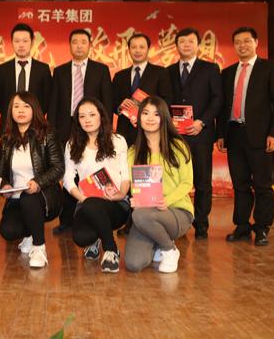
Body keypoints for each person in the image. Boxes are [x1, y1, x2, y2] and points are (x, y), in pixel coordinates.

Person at [217, 27, 274, 246]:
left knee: (262, 184)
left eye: (247, 41)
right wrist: (221, 134)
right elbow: (223, 107)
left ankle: (262, 227)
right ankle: (242, 226)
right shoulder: (227, 73)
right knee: (240, 184)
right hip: (234, 134)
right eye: (238, 42)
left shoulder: (270, 68)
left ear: (256, 42)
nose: (242, 45)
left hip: (261, 135)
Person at [48, 28, 113, 235]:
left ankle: (93, 215)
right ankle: (66, 220)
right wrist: (53, 131)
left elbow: (107, 102)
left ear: (89, 45)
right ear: (70, 45)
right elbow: (54, 102)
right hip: (66, 127)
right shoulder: (60, 71)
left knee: (90, 170)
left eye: (83, 42)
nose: (78, 45)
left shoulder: (101, 70)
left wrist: (106, 130)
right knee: (68, 172)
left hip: (93, 126)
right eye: (74, 42)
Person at [124, 96, 194, 274]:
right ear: (139, 117)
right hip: (146, 214)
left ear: (164, 118)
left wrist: (167, 200)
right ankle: (158, 241)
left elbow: (187, 182)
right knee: (134, 264)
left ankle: (169, 249)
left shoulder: (177, 146)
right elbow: (135, 187)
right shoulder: (133, 152)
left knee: (140, 216)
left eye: (156, 114)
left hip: (177, 211)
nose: (150, 118)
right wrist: (135, 200)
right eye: (145, 113)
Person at [0, 92, 64, 268]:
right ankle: (30, 233)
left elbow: (58, 168)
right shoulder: (6, 139)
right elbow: (1, 171)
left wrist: (38, 183)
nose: (21, 110)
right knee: (8, 231)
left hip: (44, 196)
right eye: (16, 106)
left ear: (34, 110)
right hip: (16, 198)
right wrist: (5, 185)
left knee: (29, 198)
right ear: (10, 110)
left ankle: (39, 247)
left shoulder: (47, 134)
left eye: (26, 106)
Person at [63, 97, 130, 273]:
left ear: (101, 116)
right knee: (80, 237)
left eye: (92, 115)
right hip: (86, 203)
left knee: (95, 205)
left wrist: (120, 194)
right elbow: (68, 179)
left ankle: (111, 250)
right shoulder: (72, 145)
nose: (87, 120)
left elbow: (126, 175)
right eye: (82, 116)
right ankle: (97, 237)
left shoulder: (118, 140)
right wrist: (83, 198)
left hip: (115, 203)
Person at [167, 28, 223, 239]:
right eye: (182, 41)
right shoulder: (169, 71)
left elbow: (217, 99)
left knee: (202, 182)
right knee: (174, 180)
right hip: (175, 136)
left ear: (198, 45)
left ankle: (201, 224)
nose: (186, 45)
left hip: (201, 134)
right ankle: (177, 222)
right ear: (176, 46)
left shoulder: (210, 69)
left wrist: (202, 122)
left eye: (191, 41)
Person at [113, 33, 173, 145]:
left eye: (141, 47)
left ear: (148, 49)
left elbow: (167, 99)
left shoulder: (160, 72)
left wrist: (150, 109)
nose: (137, 50)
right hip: (125, 131)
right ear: (129, 50)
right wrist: (119, 106)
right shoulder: (120, 76)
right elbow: (112, 101)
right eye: (134, 47)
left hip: (151, 129)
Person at [0, 23, 52, 137]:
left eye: (25, 41)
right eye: (17, 41)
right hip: (8, 125)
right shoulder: (3, 69)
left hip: (36, 126)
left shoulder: (43, 69)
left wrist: (34, 115)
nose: (21, 45)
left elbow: (47, 98)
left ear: (32, 42)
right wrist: (12, 113)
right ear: (12, 42)